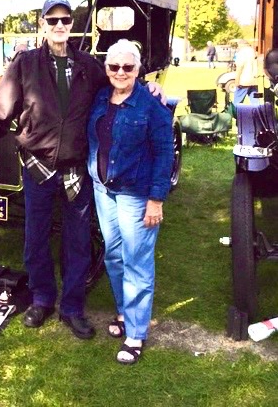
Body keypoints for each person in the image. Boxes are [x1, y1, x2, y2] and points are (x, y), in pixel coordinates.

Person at [0, 0, 165, 340]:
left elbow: (121, 83)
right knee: (35, 239)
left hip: (77, 170)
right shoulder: (25, 64)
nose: (59, 25)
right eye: (53, 20)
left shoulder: (89, 65)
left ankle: (73, 308)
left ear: (72, 24)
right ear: (43, 25)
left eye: (65, 19)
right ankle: (42, 299)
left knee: (77, 243)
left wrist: (148, 87)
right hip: (37, 166)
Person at [87, 39, 173, 364]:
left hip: (136, 194)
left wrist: (156, 200)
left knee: (137, 261)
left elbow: (164, 153)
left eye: (128, 66)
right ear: (106, 68)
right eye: (114, 66)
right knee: (113, 255)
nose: (120, 72)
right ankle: (124, 312)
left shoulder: (152, 106)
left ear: (138, 69)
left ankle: (135, 334)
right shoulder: (100, 97)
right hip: (103, 190)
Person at [233, 40, 258, 105]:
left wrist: (237, 81)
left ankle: (235, 111)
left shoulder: (242, 53)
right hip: (254, 80)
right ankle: (258, 111)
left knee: (237, 103)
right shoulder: (253, 52)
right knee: (255, 102)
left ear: (240, 45)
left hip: (243, 81)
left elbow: (239, 67)